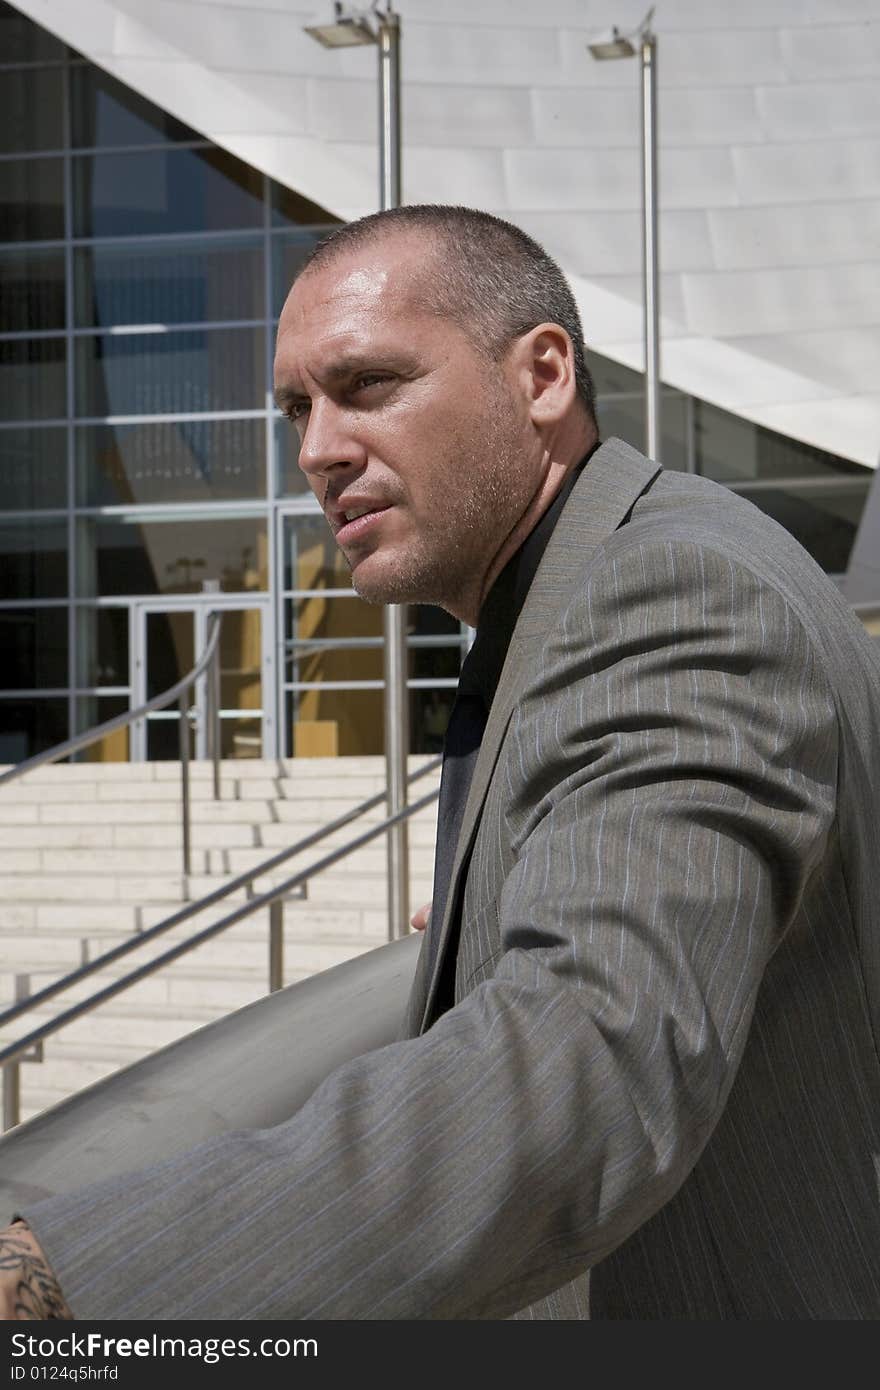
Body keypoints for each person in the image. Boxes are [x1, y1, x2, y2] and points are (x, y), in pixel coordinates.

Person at [2, 205, 880, 1320]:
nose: (318, 448)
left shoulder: (670, 594)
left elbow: (583, 1060)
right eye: (295, 408)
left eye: (367, 384)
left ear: (543, 375)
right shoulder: (573, 597)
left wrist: (69, 1278)